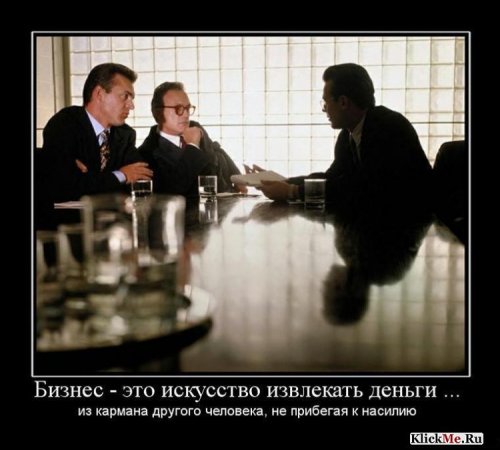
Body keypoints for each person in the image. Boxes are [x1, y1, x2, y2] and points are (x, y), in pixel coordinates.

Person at [257, 63, 432, 211]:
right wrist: (284, 182)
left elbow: (362, 189)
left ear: (343, 102)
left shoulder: (386, 126)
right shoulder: (348, 133)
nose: (324, 109)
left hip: (412, 220)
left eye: (326, 102)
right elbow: (333, 177)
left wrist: (292, 192)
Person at [42, 63, 152, 202]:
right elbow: (65, 185)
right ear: (100, 94)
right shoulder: (65, 124)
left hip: (109, 214)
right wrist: (122, 175)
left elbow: (141, 177)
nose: (131, 106)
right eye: (125, 96)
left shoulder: (125, 134)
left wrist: (93, 180)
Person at [138, 82, 245, 197]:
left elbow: (216, 150)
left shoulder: (194, 127)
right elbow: (173, 191)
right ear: (158, 113)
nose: (186, 115)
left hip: (227, 198)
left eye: (188, 108)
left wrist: (237, 176)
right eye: (178, 108)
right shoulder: (146, 154)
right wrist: (192, 146)